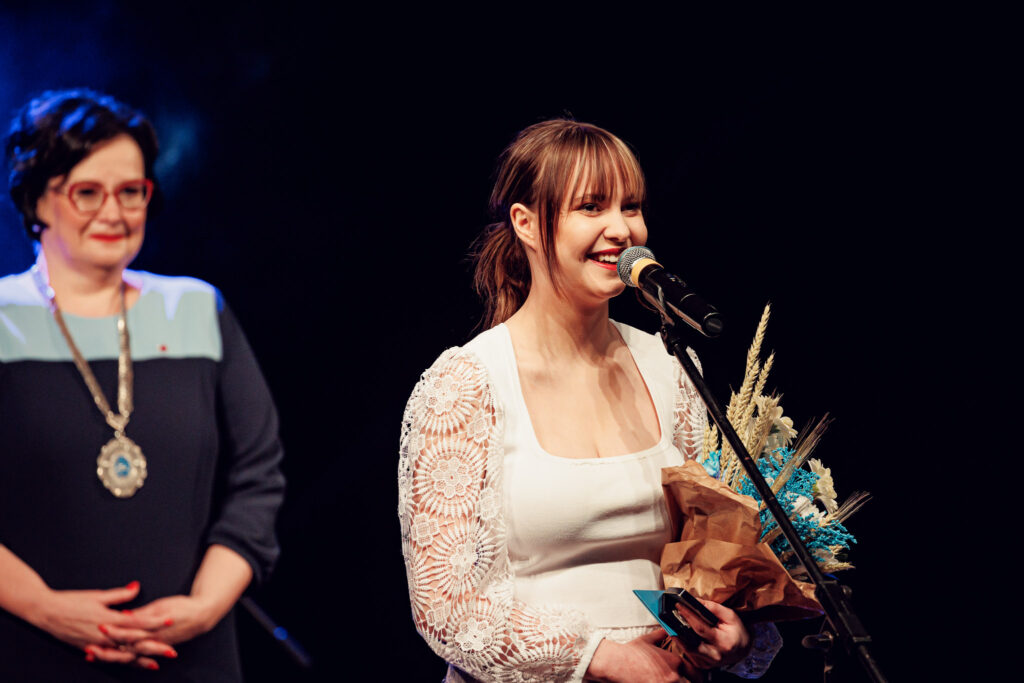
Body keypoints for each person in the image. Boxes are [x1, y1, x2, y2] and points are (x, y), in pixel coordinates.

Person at [398, 119, 782, 682]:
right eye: (591, 207)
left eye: (631, 207)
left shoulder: (671, 368)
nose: (621, 229)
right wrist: (601, 657)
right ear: (526, 223)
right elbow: (444, 607)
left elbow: (705, 553)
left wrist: (731, 629)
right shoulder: (467, 384)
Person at [0, 89, 285, 680]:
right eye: (87, 192)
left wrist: (206, 606)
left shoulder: (196, 308)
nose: (115, 212)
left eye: (131, 191)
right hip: (32, 652)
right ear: (37, 198)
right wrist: (46, 609)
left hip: (192, 655)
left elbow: (258, 475)